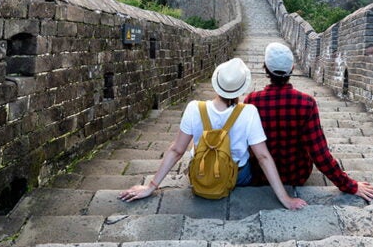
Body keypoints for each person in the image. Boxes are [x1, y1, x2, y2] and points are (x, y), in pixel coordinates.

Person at [119, 57, 307, 210]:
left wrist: (150, 186)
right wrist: (285, 198)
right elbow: (263, 157)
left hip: (200, 176)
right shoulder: (249, 112)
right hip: (236, 178)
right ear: (242, 88)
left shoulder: (194, 108)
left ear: (216, 83)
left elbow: (177, 150)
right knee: (251, 164)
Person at [244, 42, 373, 202]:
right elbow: (319, 153)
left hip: (262, 176)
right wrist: (349, 185)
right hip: (297, 175)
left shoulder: (252, 100)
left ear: (265, 68)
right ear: (292, 69)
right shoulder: (306, 103)